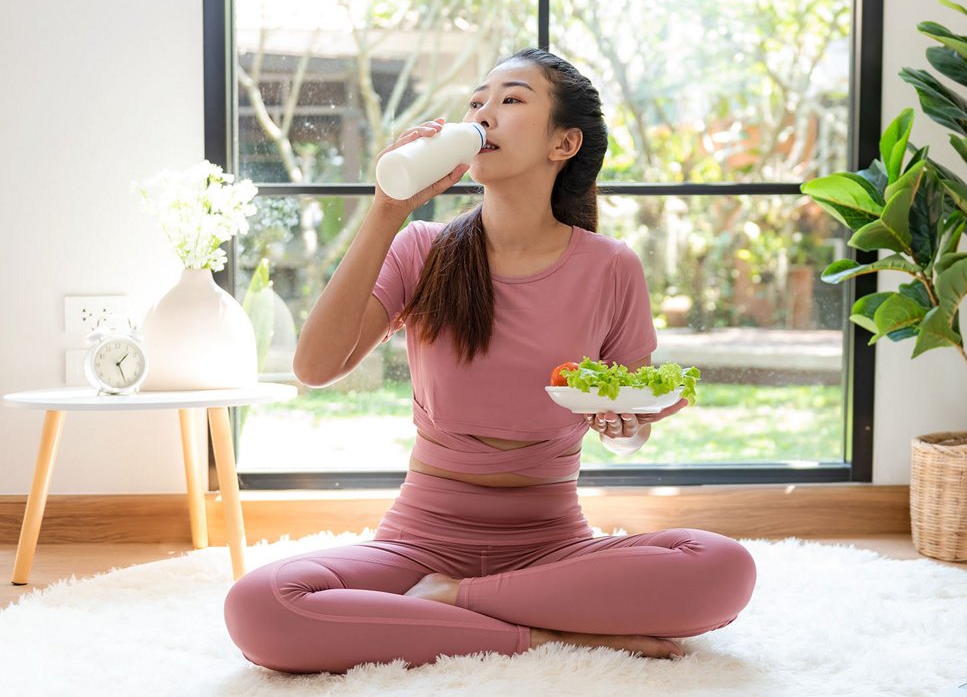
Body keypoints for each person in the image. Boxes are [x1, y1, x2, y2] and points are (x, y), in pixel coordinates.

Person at [223, 47, 757, 674]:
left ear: (564, 143)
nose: (483, 113)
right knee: (260, 607)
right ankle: (544, 634)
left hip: (552, 544)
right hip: (419, 541)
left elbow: (626, 425)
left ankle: (452, 605)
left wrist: (629, 425)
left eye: (510, 100)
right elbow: (315, 367)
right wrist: (387, 210)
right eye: (476, 101)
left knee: (724, 568)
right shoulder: (422, 247)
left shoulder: (611, 266)